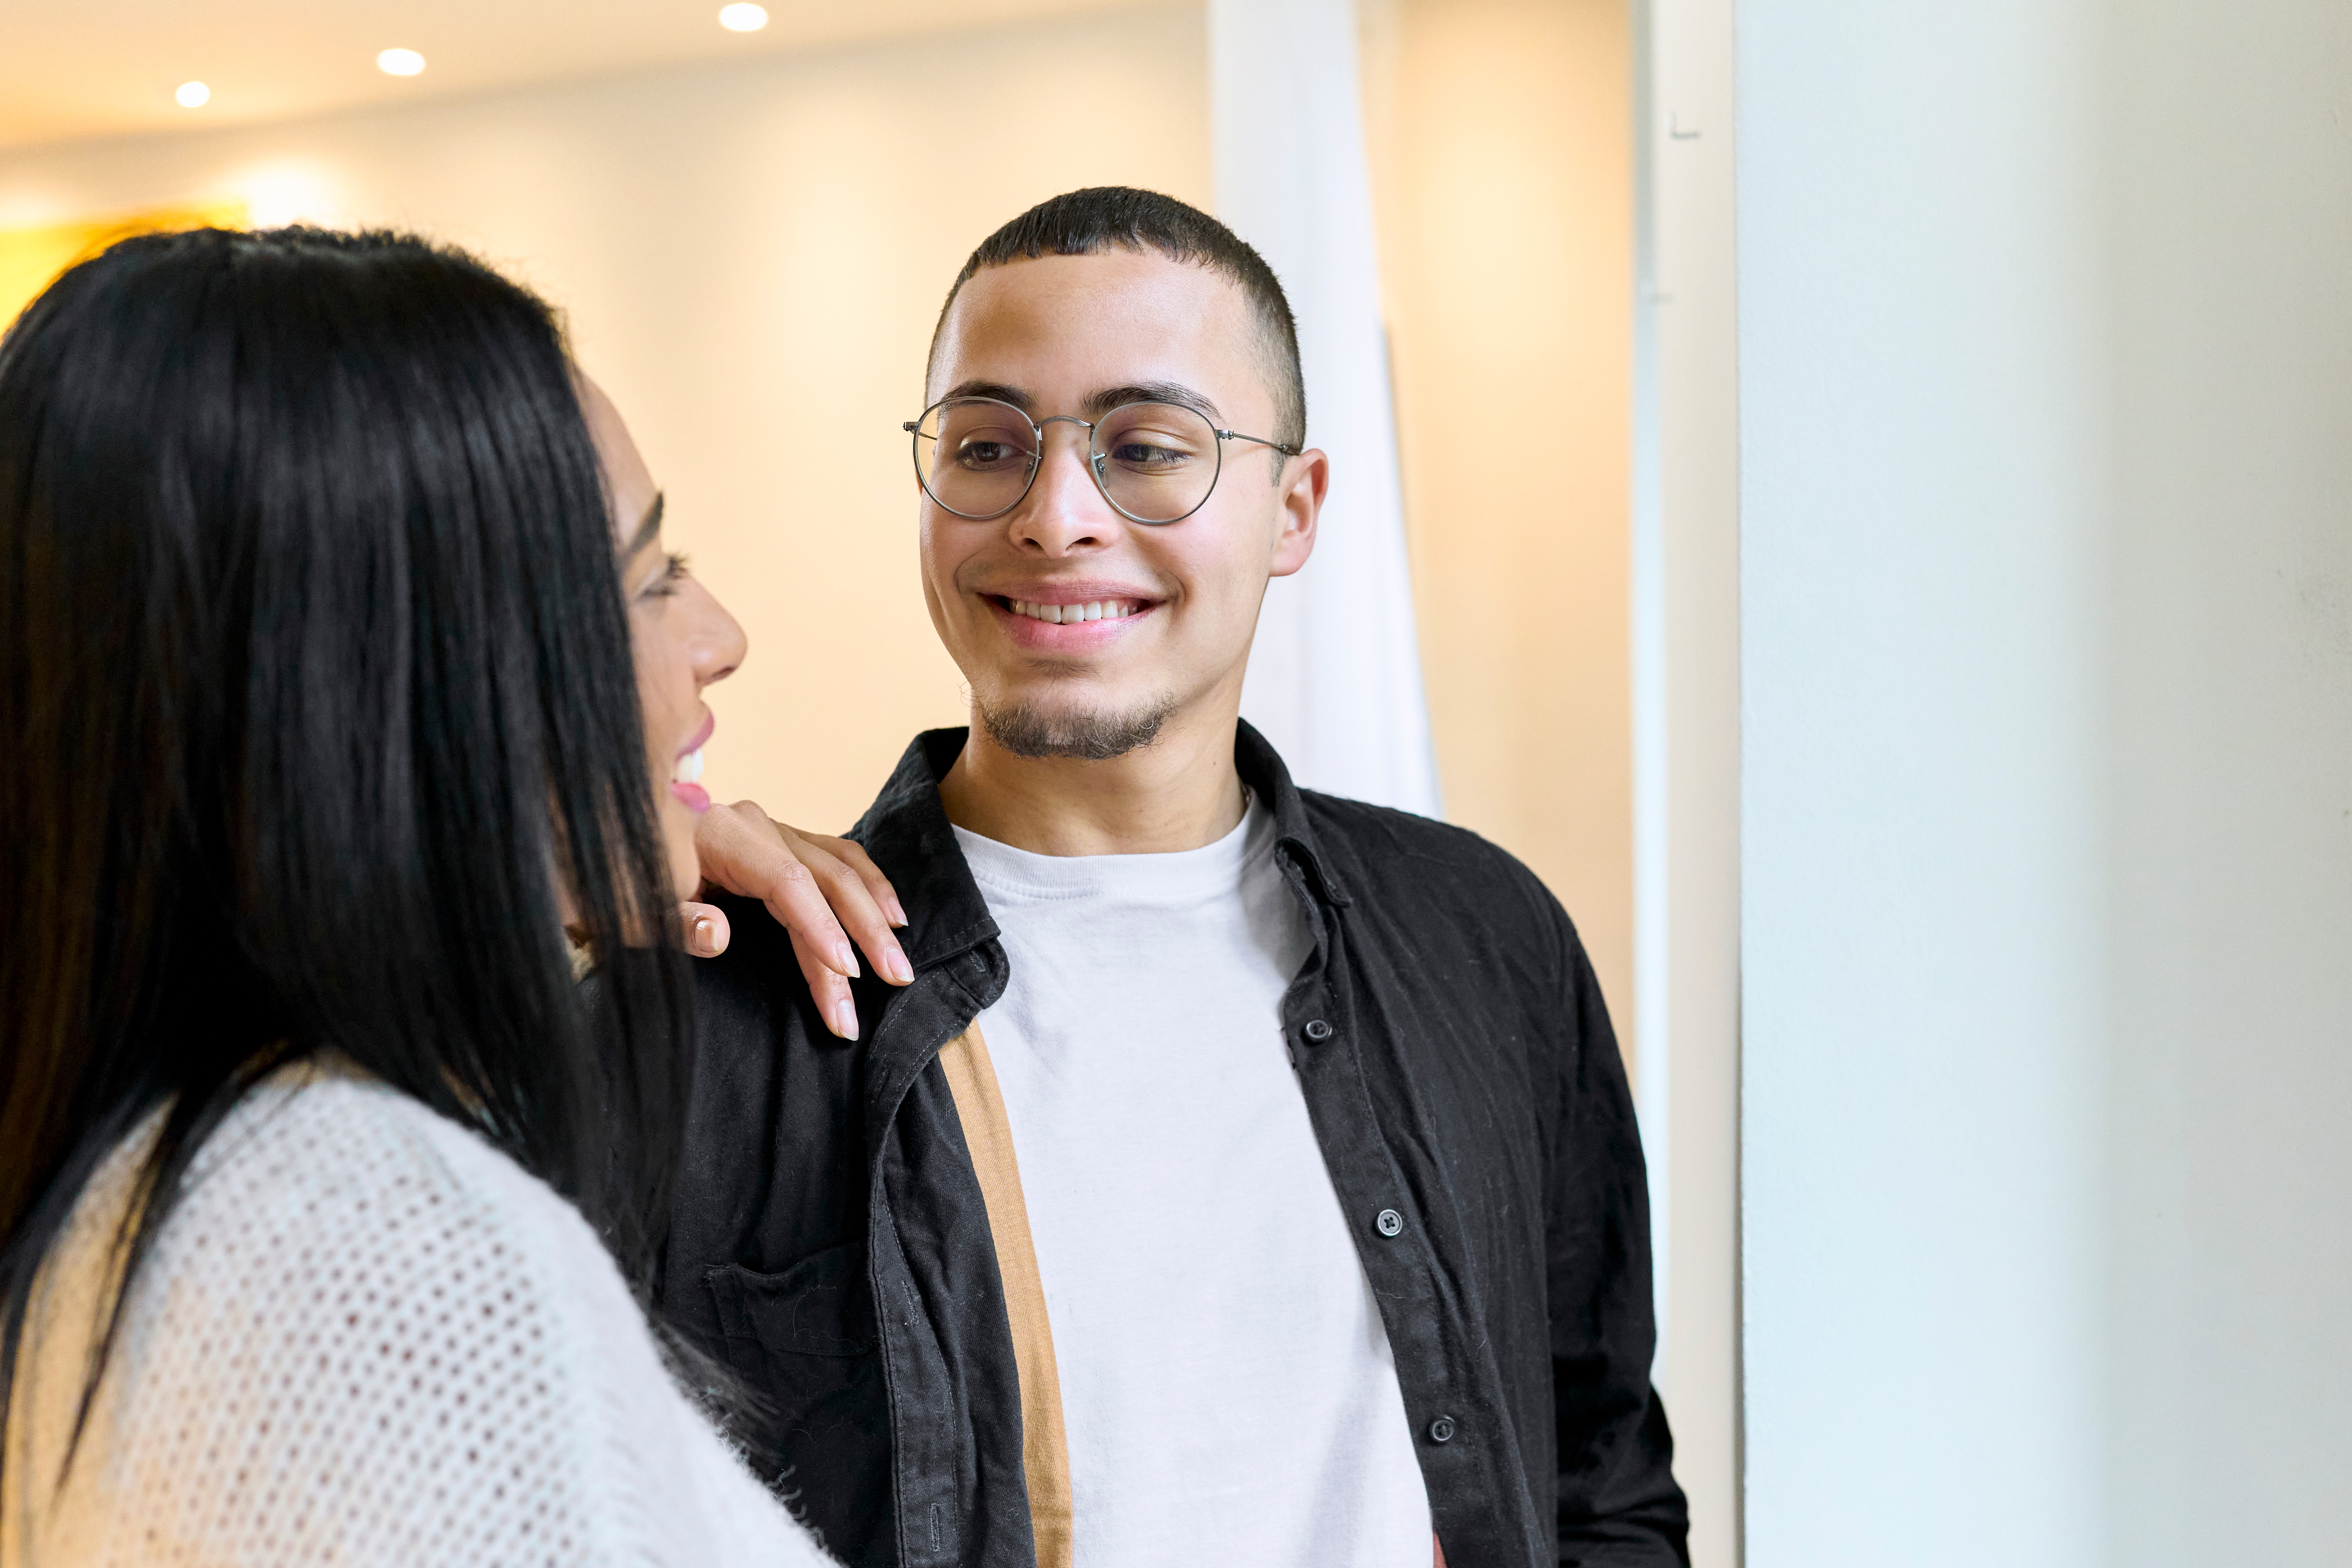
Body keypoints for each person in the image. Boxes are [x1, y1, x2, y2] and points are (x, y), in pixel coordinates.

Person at [662, 187, 1689, 1567]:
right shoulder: (738, 988)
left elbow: (1598, 1475)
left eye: (1147, 447)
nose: (1055, 515)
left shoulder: (1484, 936)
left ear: (1293, 507)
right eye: (987, 446)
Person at [0, 226, 836, 1564]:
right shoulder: (402, 1269)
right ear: (412, 681)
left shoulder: (172, 1185)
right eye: (650, 578)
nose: (718, 637)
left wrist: (580, 874)